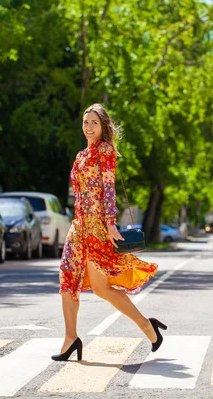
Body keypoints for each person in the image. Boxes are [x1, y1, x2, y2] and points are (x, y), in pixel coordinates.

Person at [52, 103, 166, 362]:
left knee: (102, 289)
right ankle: (71, 338)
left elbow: (108, 188)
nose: (88, 127)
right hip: (78, 226)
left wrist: (111, 223)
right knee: (67, 278)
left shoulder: (105, 151)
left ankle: (148, 327)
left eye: (94, 122)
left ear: (103, 126)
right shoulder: (81, 155)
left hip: (98, 227)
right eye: (85, 122)